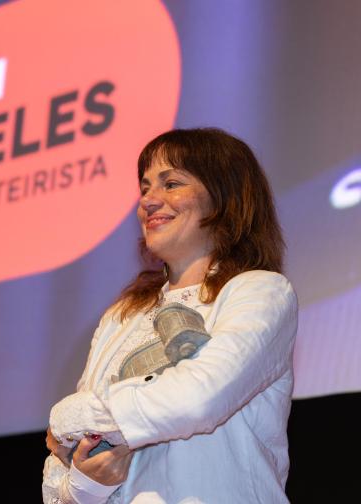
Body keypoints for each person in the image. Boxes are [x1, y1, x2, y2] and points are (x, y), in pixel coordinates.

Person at [42, 128, 298, 503]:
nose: (148, 200)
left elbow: (198, 397)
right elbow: (62, 474)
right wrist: (89, 483)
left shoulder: (260, 292)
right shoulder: (121, 316)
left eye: (172, 183)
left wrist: (74, 417)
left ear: (224, 198)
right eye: (145, 188)